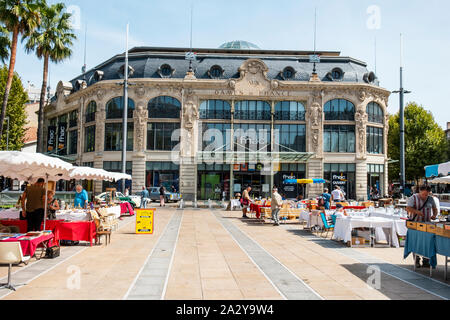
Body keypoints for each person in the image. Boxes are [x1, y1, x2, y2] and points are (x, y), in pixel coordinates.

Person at [406, 184, 438, 268]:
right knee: (416, 243)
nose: (424, 196)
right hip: (415, 225)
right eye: (423, 194)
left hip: (427, 225)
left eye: (426, 194)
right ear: (419, 191)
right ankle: (416, 260)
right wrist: (417, 212)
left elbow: (435, 209)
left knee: (427, 243)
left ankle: (426, 260)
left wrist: (434, 215)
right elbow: (408, 208)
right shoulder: (413, 197)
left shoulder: (430, 199)